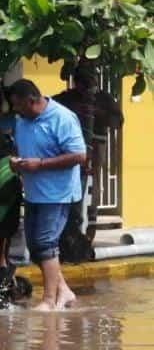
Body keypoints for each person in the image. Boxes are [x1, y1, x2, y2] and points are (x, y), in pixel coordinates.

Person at [8, 79, 87, 311]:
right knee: (35, 247)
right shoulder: (22, 121)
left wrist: (40, 164)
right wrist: (16, 162)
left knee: (45, 243)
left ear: (33, 100)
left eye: (19, 106)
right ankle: (64, 291)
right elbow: (21, 148)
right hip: (34, 192)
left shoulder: (62, 118)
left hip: (57, 193)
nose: (16, 111)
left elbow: (79, 156)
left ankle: (49, 301)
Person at [54, 65, 124, 241]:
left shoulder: (103, 98)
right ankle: (69, 224)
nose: (86, 87)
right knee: (71, 181)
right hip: (70, 146)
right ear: (75, 83)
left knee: (92, 183)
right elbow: (49, 107)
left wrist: (97, 113)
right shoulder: (66, 98)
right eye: (83, 83)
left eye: (90, 83)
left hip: (96, 144)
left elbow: (118, 120)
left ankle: (90, 225)